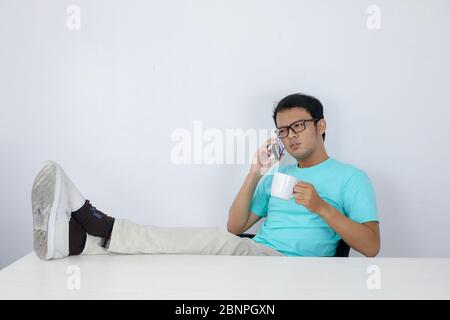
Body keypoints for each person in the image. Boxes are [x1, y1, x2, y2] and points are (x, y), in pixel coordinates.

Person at [31, 93, 380, 261]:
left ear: (321, 126)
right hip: (255, 254)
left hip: (292, 268)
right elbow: (234, 225)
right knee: (185, 248)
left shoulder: (351, 178)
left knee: (196, 245)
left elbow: (371, 246)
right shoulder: (279, 175)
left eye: (299, 126)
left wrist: (321, 208)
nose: (290, 135)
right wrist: (255, 172)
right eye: (283, 129)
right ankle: (83, 241)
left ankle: (96, 226)